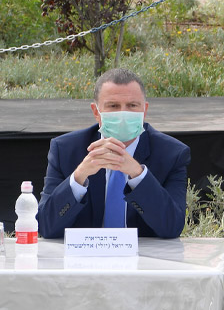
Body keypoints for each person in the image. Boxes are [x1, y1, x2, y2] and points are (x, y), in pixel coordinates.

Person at [39, 68, 190, 239]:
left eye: (132, 106)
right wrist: (79, 177)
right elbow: (45, 227)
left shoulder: (172, 154)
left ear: (144, 110)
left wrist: (138, 175)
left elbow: (172, 227)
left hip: (144, 260)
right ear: (96, 112)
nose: (123, 114)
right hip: (84, 259)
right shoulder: (65, 150)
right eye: (113, 106)